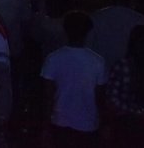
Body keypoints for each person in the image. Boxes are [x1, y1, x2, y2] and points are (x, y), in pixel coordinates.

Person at [40, 9, 106, 147]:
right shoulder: (97, 61)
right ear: (88, 32)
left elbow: (47, 96)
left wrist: (45, 126)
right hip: (88, 121)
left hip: (60, 120)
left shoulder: (53, 58)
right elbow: (100, 97)